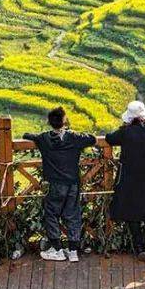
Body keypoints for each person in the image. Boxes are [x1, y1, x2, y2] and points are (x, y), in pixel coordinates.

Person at [23, 106, 97, 262]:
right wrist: (74, 132)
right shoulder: (74, 138)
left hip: (54, 183)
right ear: (65, 121)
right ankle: (73, 251)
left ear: (49, 122)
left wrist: (32, 136)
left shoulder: (43, 138)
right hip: (73, 183)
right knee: (73, 215)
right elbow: (93, 139)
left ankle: (56, 248)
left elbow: (27, 135)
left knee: (51, 214)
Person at [104, 101, 145, 261]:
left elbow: (109, 138)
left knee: (132, 212)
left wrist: (124, 127)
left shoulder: (125, 132)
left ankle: (138, 246)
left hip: (131, 179)